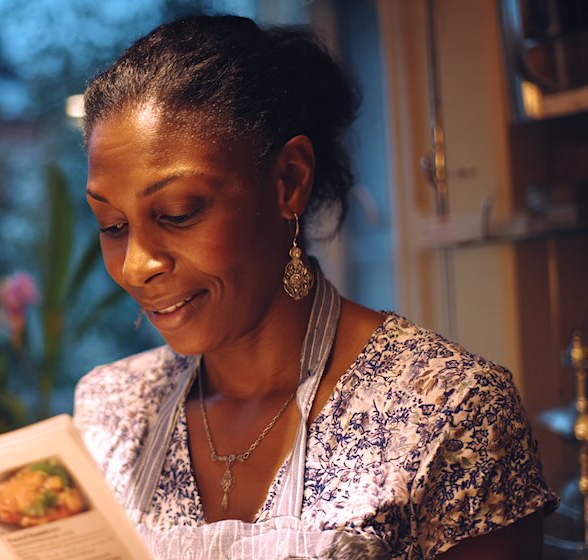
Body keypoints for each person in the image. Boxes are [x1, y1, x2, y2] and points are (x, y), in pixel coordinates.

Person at [73, 15, 557, 560]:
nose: (137, 265)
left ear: (289, 182)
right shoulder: (110, 411)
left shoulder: (446, 410)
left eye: (178, 212)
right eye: (113, 226)